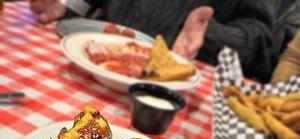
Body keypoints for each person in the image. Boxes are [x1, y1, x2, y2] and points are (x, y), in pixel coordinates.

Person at [30, 0, 283, 82]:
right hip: (90, 70)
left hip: (179, 87)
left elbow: (260, 45)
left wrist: (208, 35)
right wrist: (64, 5)